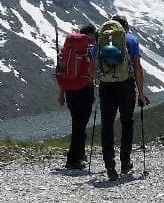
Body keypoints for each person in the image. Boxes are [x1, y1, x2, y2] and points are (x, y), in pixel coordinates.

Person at [92, 14, 148, 181]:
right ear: (126, 27)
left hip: (106, 87)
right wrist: (141, 92)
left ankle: (109, 166)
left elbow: (92, 70)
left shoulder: (101, 40)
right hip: (126, 85)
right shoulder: (131, 39)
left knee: (107, 124)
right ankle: (125, 162)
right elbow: (137, 67)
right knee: (127, 122)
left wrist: (102, 77)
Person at [57, 23, 97, 170]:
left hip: (69, 90)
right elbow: (92, 71)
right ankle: (73, 159)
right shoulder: (87, 51)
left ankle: (80, 154)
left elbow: (62, 73)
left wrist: (61, 95)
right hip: (84, 90)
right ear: (90, 35)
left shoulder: (67, 50)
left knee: (77, 122)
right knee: (80, 125)